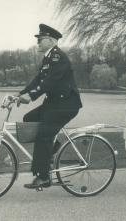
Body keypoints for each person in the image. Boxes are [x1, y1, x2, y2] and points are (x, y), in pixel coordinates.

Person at [15, 24, 82, 189]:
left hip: (66, 104)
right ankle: (52, 151)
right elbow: (38, 80)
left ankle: (43, 176)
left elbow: (50, 82)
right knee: (29, 118)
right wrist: (20, 94)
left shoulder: (58, 57)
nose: (38, 41)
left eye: (41, 39)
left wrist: (30, 96)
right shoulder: (48, 57)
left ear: (51, 41)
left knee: (43, 135)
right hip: (55, 103)